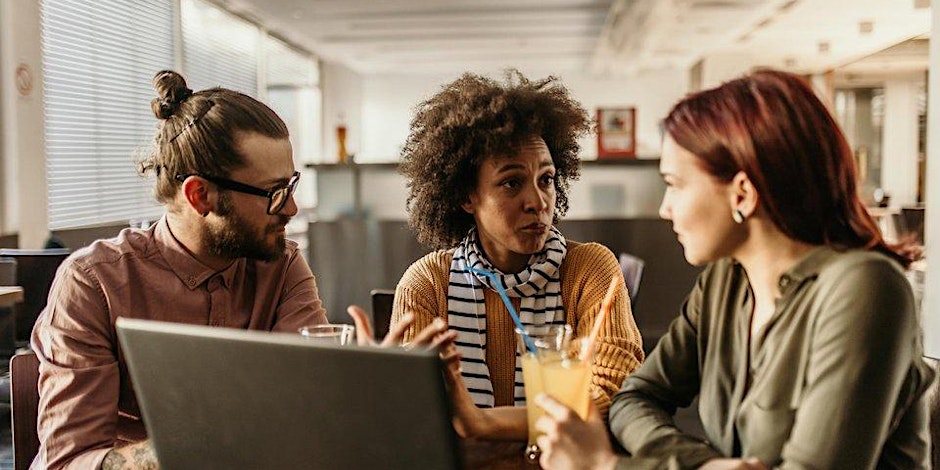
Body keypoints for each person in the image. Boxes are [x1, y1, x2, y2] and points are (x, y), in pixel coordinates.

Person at [30, 71, 453, 470]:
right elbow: (70, 461)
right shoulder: (94, 282)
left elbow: (307, 408)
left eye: (290, 186)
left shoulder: (281, 265)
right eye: (273, 193)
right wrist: (220, 439)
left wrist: (354, 391)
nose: (290, 208)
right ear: (201, 196)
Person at [533, 69, 934, 470]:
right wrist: (702, 465)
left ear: (742, 192)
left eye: (674, 184)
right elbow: (634, 398)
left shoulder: (865, 287)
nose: (664, 207)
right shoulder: (725, 280)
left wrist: (603, 466)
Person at [390, 70, 645, 441]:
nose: (538, 202)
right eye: (512, 182)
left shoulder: (589, 270)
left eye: (546, 179)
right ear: (466, 196)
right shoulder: (428, 283)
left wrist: (483, 423)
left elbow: (611, 391)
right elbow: (411, 410)